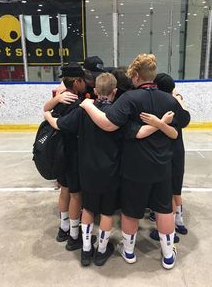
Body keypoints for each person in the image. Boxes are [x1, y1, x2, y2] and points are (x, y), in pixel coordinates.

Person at [80, 54, 190, 270]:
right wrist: (169, 112)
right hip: (162, 166)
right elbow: (184, 121)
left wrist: (87, 105)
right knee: (164, 210)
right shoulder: (168, 100)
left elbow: (109, 123)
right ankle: (168, 256)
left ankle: (128, 251)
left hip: (134, 167)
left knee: (130, 211)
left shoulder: (129, 99)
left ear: (137, 76)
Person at [44, 73, 122, 267]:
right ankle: (102, 251)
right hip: (110, 171)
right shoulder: (119, 113)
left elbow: (59, 124)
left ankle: (86, 250)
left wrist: (47, 113)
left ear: (94, 91)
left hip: (86, 169)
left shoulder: (83, 110)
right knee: (106, 213)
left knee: (87, 208)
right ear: (115, 92)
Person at [44, 63, 88, 251]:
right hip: (73, 155)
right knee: (76, 196)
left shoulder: (61, 99)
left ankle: (63, 229)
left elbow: (46, 109)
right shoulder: (77, 104)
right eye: (83, 80)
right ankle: (74, 236)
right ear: (77, 82)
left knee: (64, 191)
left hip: (59, 154)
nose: (86, 83)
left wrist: (48, 112)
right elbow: (62, 125)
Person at [141, 73, 189, 236]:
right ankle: (179, 222)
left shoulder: (159, 105)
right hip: (178, 151)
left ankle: (171, 229)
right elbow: (185, 119)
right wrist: (179, 100)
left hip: (164, 151)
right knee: (176, 189)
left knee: (167, 191)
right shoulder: (176, 104)